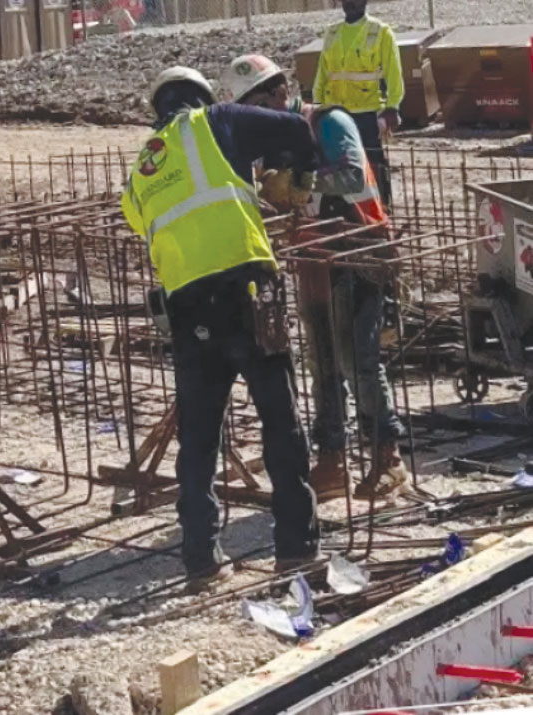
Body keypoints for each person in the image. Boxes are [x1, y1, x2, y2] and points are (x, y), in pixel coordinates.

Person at [121, 66, 321, 590]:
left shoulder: (141, 168)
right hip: (246, 288)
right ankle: (296, 550)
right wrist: (295, 174)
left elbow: (141, 222)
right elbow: (296, 128)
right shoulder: (217, 120)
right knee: (279, 421)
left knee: (198, 437)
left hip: (187, 306)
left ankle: (201, 561)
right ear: (200, 97)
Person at [223, 54, 410, 501]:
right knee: (322, 364)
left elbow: (350, 174)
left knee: (356, 361)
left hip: (359, 253)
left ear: (279, 93)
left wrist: (301, 183)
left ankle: (388, 459)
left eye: (256, 106)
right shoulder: (270, 142)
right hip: (314, 260)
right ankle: (332, 460)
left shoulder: (326, 122)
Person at [312, 0, 403, 204]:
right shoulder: (332, 32)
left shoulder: (380, 32)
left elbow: (394, 74)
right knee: (337, 164)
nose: (351, 3)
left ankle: (382, 206)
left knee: (372, 162)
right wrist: (317, 107)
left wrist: (392, 107)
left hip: (367, 113)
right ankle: (346, 208)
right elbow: (322, 73)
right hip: (335, 114)